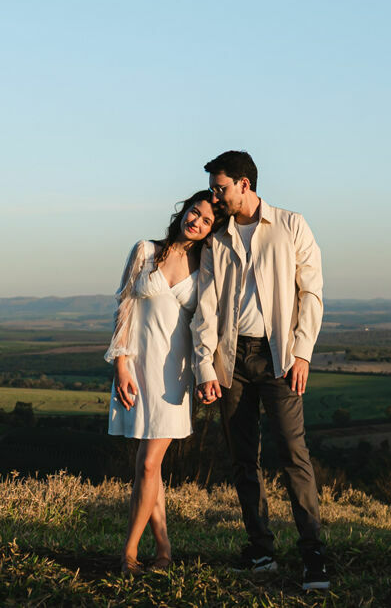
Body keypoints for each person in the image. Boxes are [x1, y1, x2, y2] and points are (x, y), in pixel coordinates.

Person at [193, 149, 328, 592]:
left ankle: (314, 555)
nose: (215, 196)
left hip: (280, 359)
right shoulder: (218, 237)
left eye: (221, 188)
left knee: (294, 455)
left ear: (244, 185)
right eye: (214, 189)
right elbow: (207, 307)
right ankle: (261, 549)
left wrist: (303, 353)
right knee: (242, 460)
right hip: (230, 361)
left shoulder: (292, 226)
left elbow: (312, 292)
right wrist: (205, 367)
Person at [105, 189, 220, 573]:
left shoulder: (205, 268)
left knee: (150, 464)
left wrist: (207, 374)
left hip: (175, 374)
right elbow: (124, 307)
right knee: (146, 466)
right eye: (194, 212)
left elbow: (206, 324)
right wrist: (120, 363)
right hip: (138, 368)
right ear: (183, 210)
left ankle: (129, 553)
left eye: (206, 221)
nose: (197, 222)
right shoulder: (145, 251)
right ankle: (165, 552)